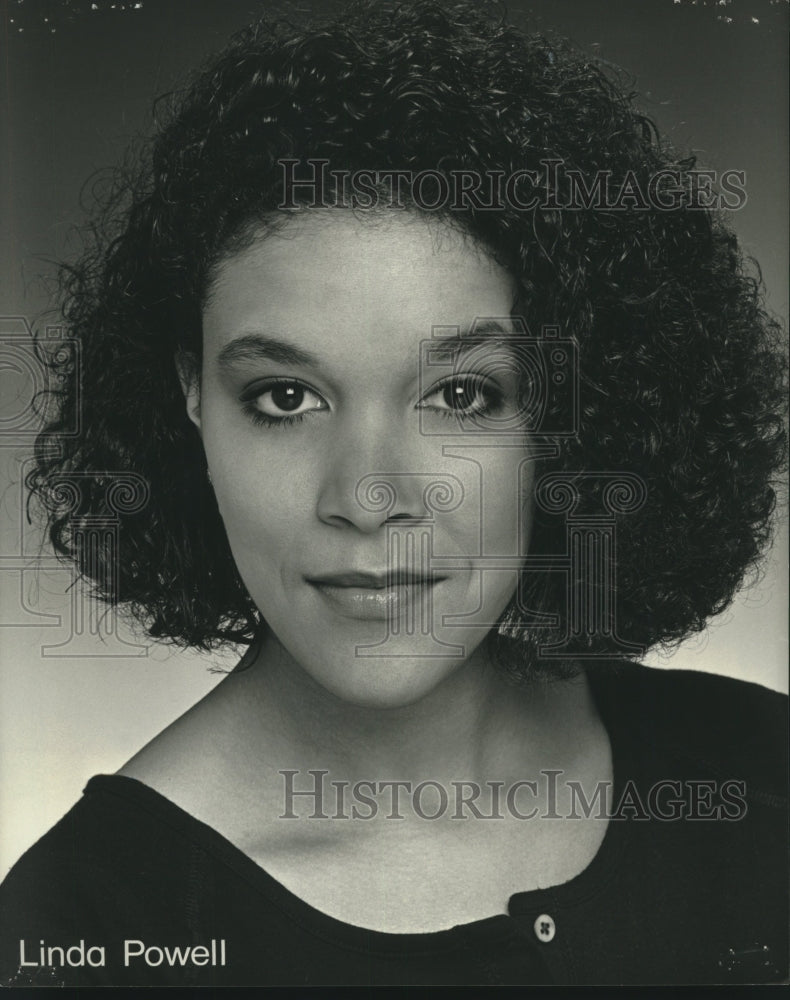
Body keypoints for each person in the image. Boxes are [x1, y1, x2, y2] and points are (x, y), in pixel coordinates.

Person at [0, 0, 787, 986]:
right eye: (285, 396)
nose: (367, 498)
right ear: (191, 396)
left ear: (574, 414)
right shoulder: (87, 932)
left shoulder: (756, 770)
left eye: (461, 394)